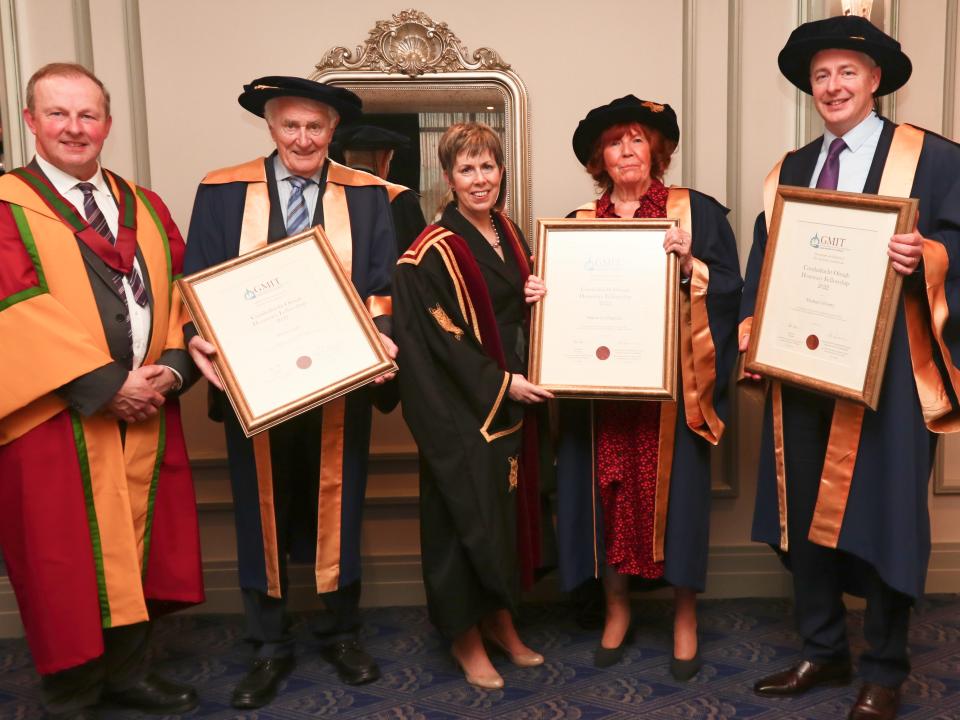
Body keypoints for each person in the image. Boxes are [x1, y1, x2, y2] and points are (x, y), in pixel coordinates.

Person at [741, 16, 960, 720]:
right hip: (803, 367)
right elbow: (762, 263)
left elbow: (956, 248)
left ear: (875, 80)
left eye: (847, 72)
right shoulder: (792, 168)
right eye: (820, 76)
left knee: (889, 511)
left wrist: (926, 258)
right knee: (805, 508)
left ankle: (885, 667)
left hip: (893, 374)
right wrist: (752, 331)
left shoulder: (935, 160)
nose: (832, 86)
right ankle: (823, 647)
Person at [184, 76, 400, 707]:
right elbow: (196, 278)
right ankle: (268, 644)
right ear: (270, 128)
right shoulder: (223, 191)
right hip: (254, 385)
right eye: (290, 126)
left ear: (334, 132)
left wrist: (382, 336)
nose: (303, 138)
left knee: (340, 503)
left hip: (340, 382)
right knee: (260, 510)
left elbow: (382, 283)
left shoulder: (366, 197)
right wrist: (198, 334)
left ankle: (340, 631)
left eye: (316, 127)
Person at [0, 62, 203, 719]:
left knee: (134, 541)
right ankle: (71, 692)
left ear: (108, 125)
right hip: (55, 413)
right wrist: (107, 386)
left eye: (88, 115)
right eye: (57, 113)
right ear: (30, 121)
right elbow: (15, 306)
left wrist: (172, 367)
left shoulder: (142, 204)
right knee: (61, 554)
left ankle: (126, 673)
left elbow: (181, 290)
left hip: (146, 404)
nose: (74, 127)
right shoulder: (7, 207)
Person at [551, 95, 742, 679]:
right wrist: (544, 299)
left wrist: (693, 268)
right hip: (604, 397)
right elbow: (563, 316)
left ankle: (685, 614)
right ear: (599, 158)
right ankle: (616, 608)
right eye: (615, 142)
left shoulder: (696, 213)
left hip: (673, 394)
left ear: (656, 150)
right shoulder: (579, 225)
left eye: (637, 139)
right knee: (607, 495)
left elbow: (734, 289)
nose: (627, 150)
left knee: (678, 501)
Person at [393, 122, 551, 689]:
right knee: (460, 522)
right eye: (467, 169)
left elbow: (511, 309)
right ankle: (464, 637)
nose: (479, 179)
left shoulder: (508, 233)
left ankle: (499, 619)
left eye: (488, 166)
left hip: (508, 398)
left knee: (498, 521)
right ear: (448, 178)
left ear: (501, 172)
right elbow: (441, 342)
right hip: (459, 408)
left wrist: (537, 294)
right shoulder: (429, 253)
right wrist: (501, 383)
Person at [336, 123, 427, 253]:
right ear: (384, 159)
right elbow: (419, 254)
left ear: (346, 158)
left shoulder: (329, 196)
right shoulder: (400, 199)